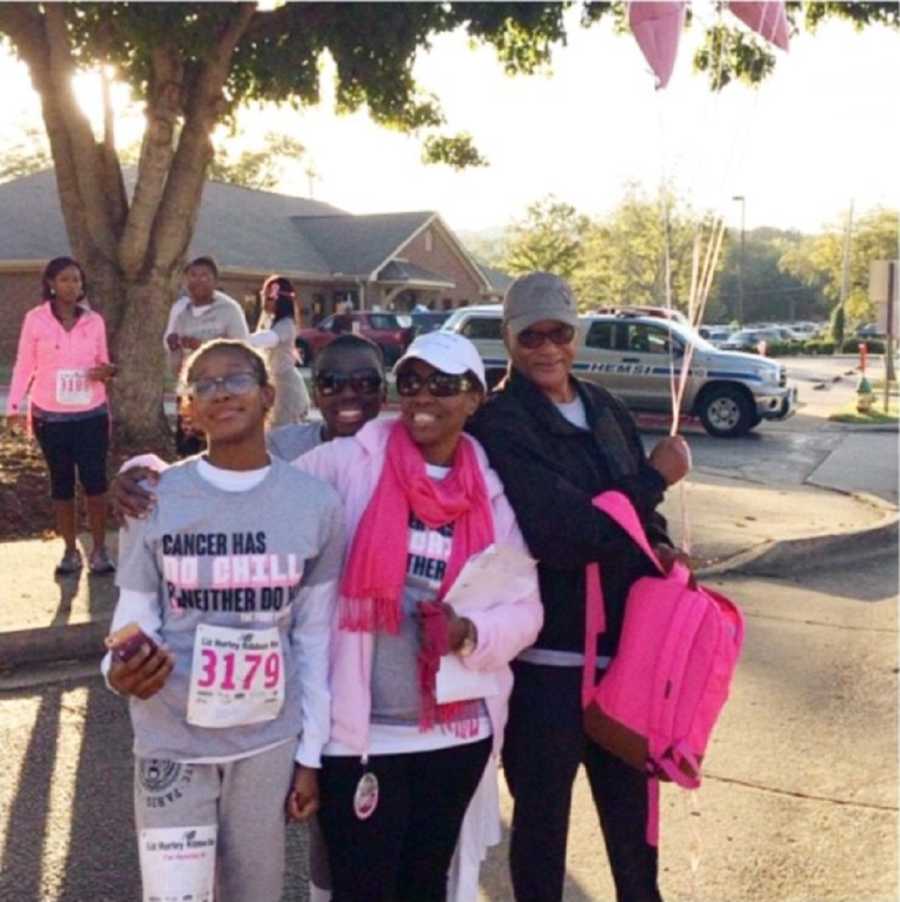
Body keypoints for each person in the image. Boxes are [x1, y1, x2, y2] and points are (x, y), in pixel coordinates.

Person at [466, 272, 692, 902]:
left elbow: (632, 520)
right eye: (529, 335)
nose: (546, 348)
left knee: (634, 831)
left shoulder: (605, 406)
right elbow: (563, 534)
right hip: (548, 669)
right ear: (509, 340)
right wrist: (655, 480)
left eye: (558, 333)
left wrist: (661, 542)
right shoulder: (502, 424)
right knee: (542, 832)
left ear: (576, 333)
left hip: (627, 659)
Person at [295, 331, 543, 902]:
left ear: (475, 398)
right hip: (362, 733)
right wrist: (150, 471)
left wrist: (471, 633)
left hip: (454, 732)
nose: (422, 397)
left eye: (442, 384)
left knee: (424, 885)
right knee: (361, 887)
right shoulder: (351, 460)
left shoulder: (491, 491)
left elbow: (527, 610)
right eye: (410, 382)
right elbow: (259, 486)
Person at [102, 339, 344, 902]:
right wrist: (118, 672)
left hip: (267, 742)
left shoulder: (316, 505)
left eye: (234, 379)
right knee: (175, 897)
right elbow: (132, 621)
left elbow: (311, 637)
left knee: (252, 894)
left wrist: (310, 756)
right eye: (202, 385)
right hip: (171, 741)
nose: (220, 393)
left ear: (267, 395)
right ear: (187, 408)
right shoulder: (154, 498)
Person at [6, 256, 118, 575]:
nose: (73, 286)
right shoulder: (35, 320)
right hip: (49, 416)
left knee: (96, 483)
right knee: (62, 484)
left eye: (78, 280)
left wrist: (106, 371)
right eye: (66, 279)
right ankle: (70, 551)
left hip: (91, 414)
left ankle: (99, 551)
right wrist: (14, 405)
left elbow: (103, 362)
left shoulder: (93, 321)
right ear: (51, 284)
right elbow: (24, 364)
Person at [164, 256, 249, 456]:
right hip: (191, 393)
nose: (198, 280)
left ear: (215, 281)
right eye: (193, 275)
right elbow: (175, 363)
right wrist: (174, 346)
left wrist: (203, 346)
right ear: (186, 281)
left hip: (222, 392)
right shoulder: (182, 314)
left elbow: (243, 349)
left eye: (204, 275)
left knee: (221, 446)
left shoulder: (229, 310)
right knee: (188, 450)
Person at [248, 275, 311, 426]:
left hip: (287, 388)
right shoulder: (271, 322)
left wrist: (235, 336)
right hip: (274, 386)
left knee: (283, 434)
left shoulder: (286, 325)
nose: (263, 299)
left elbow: (267, 339)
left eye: (267, 296)